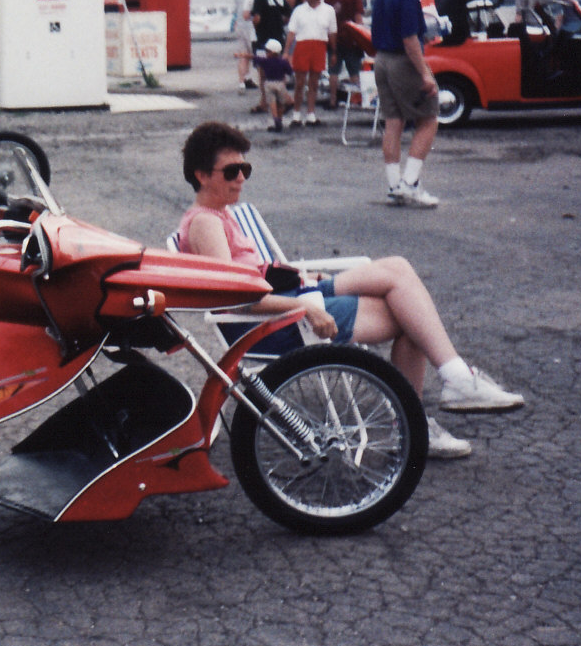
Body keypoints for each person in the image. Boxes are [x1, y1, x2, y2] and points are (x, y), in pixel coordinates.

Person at [175, 121, 524, 460]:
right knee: (410, 315)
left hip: (294, 293)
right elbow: (238, 298)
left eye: (244, 169)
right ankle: (423, 416)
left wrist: (304, 275)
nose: (240, 178)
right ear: (202, 175)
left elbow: (254, 275)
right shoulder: (206, 222)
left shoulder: (219, 212)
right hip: (275, 322)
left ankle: (441, 395)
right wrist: (308, 310)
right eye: (231, 171)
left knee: (399, 270)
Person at [370, 0, 443, 208]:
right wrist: (424, 73)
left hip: (381, 60)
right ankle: (410, 184)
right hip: (403, 61)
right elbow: (410, 38)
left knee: (393, 121)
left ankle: (394, 186)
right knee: (429, 117)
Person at [286, 0, 335, 126]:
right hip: (302, 45)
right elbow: (291, 32)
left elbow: (332, 32)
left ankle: (311, 115)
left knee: (314, 83)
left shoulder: (329, 10)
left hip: (319, 46)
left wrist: (333, 52)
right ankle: (296, 115)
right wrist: (286, 51)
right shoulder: (299, 10)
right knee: (299, 83)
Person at [250, 0, 289, 115]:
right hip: (279, 39)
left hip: (264, 40)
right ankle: (281, 100)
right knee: (279, 71)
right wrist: (278, 23)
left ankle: (264, 102)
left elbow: (257, 18)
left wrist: (256, 26)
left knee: (263, 72)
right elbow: (287, 15)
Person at [323, 0, 365, 110]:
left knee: (333, 71)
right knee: (354, 71)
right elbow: (358, 18)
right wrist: (361, 37)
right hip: (351, 38)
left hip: (333, 38)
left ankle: (333, 100)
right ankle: (359, 98)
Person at [253, 39, 293, 132]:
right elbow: (290, 72)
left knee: (272, 102)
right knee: (281, 103)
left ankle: (276, 120)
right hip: (280, 84)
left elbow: (255, 58)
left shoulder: (265, 61)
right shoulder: (283, 62)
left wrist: (242, 55)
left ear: (271, 52)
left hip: (269, 83)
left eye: (267, 51)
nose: (266, 52)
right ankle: (280, 119)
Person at [232, 0, 259, 93]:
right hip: (251, 25)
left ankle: (242, 81)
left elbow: (236, 7)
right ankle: (263, 79)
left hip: (240, 25)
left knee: (243, 54)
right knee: (257, 54)